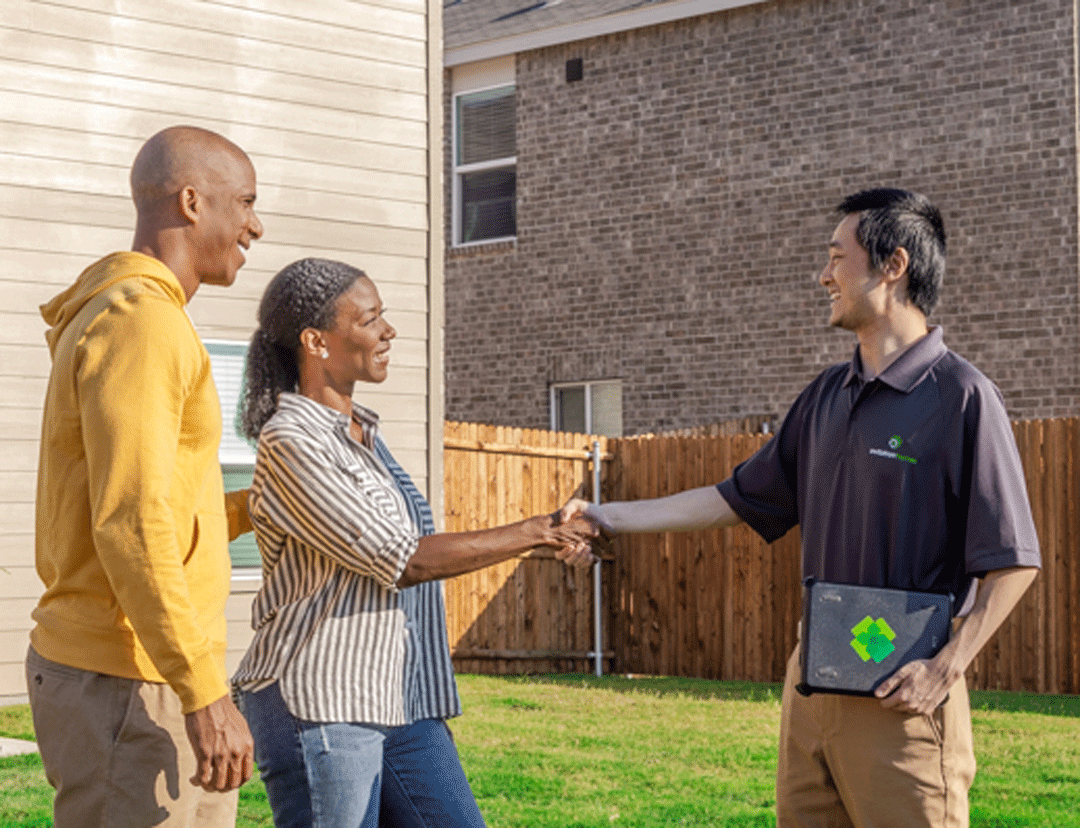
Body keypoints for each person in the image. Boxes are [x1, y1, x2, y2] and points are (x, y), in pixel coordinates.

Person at [566, 188, 1041, 828]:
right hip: (812, 685)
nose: (824, 275)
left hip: (901, 699)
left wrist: (948, 666)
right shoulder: (826, 396)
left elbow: (1013, 561)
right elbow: (734, 498)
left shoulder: (960, 396)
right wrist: (608, 514)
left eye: (837, 258)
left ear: (892, 265)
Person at [232, 257, 600, 828]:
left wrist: (539, 542)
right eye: (370, 318)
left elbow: (411, 546)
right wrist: (537, 529)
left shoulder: (364, 437)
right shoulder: (293, 440)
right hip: (322, 702)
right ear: (316, 341)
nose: (388, 330)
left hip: (400, 696)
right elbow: (401, 559)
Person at [27, 125, 264, 828]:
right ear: (193, 202)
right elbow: (131, 520)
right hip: (131, 678)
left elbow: (161, 510)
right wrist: (203, 692)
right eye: (246, 202)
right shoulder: (143, 323)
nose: (257, 223)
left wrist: (260, 505)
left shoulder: (137, 316)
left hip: (140, 671)